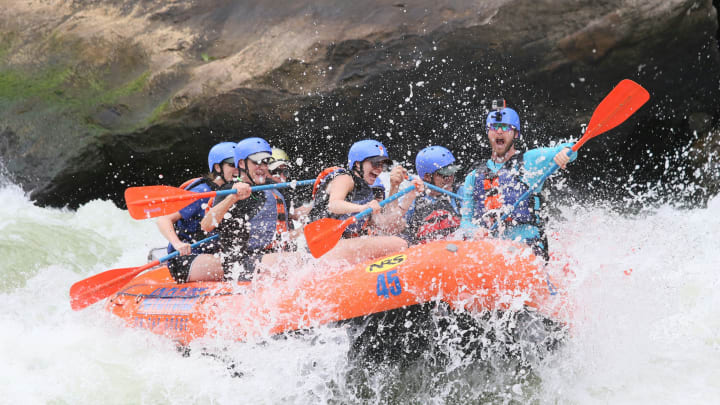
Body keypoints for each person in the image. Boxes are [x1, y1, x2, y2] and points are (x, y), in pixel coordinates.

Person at [460, 103, 576, 260]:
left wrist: (564, 153)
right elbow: (465, 223)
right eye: (494, 127)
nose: (499, 131)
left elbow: (571, 149)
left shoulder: (530, 161)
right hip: (492, 251)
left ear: (515, 134)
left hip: (528, 248)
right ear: (488, 133)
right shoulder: (473, 176)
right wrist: (475, 231)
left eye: (506, 127)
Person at [308, 139, 424, 264]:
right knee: (398, 243)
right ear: (358, 164)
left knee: (396, 239)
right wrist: (363, 207)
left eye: (382, 165)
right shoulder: (344, 178)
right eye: (375, 164)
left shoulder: (367, 193)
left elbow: (388, 226)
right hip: (323, 248)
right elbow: (334, 204)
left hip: (341, 247)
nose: (379, 169)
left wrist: (405, 193)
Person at [200, 137, 294, 281]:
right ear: (242, 163)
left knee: (307, 257)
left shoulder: (274, 188)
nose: (262, 166)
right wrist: (232, 198)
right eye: (256, 162)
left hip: (273, 256)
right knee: (293, 262)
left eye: (265, 162)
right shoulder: (228, 190)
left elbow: (290, 227)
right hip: (241, 263)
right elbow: (206, 225)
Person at [156, 142, 237, 283]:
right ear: (217, 167)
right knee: (238, 265)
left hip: (211, 254)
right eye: (232, 165)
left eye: (240, 164)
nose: (237, 170)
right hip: (185, 259)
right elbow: (163, 219)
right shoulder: (201, 193)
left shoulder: (234, 190)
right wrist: (178, 244)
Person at [403, 146, 462, 244]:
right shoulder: (413, 199)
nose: (450, 178)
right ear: (427, 176)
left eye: (452, 172)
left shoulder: (461, 193)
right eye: (444, 174)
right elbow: (395, 228)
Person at [268, 147, 311, 223]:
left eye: (285, 172)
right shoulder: (258, 195)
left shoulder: (285, 193)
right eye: (275, 172)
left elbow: (300, 213)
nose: (281, 176)